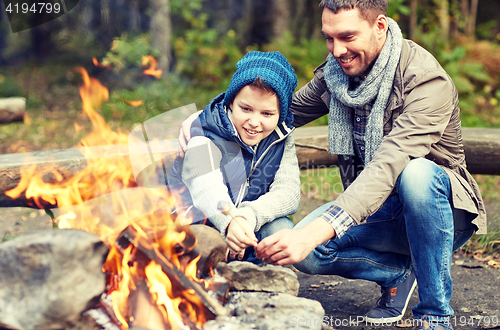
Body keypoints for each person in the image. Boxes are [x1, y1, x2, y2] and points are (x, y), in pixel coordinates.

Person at [178, 1, 487, 329]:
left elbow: (389, 165)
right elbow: (279, 110)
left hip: (437, 209)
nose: (337, 50)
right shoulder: (337, 75)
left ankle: (435, 315)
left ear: (379, 26)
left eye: (347, 36)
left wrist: (313, 232)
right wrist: (209, 120)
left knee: (416, 174)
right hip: (375, 208)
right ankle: (399, 274)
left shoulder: (425, 82)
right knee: (305, 251)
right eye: (329, 38)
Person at [169, 51, 300, 263]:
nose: (254, 122)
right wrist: (231, 221)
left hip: (247, 227)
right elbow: (206, 187)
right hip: (198, 227)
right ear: (231, 103)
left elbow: (289, 194)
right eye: (245, 109)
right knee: (201, 240)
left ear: (280, 114)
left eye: (267, 114)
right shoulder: (205, 133)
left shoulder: (280, 137)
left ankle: (264, 276)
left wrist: (246, 217)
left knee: (281, 228)